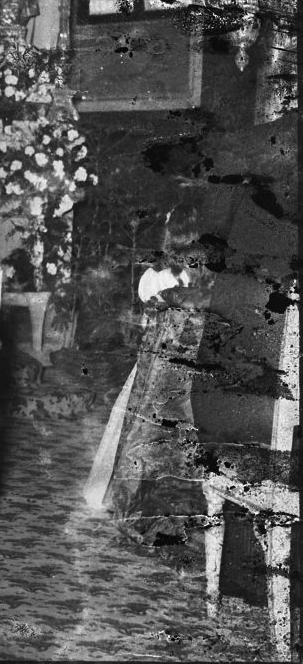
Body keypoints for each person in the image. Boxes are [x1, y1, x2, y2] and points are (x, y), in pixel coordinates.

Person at [82, 204, 215, 546]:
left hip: (167, 362)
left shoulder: (173, 272)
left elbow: (150, 293)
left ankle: (143, 509)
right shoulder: (190, 272)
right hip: (177, 361)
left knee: (151, 434)